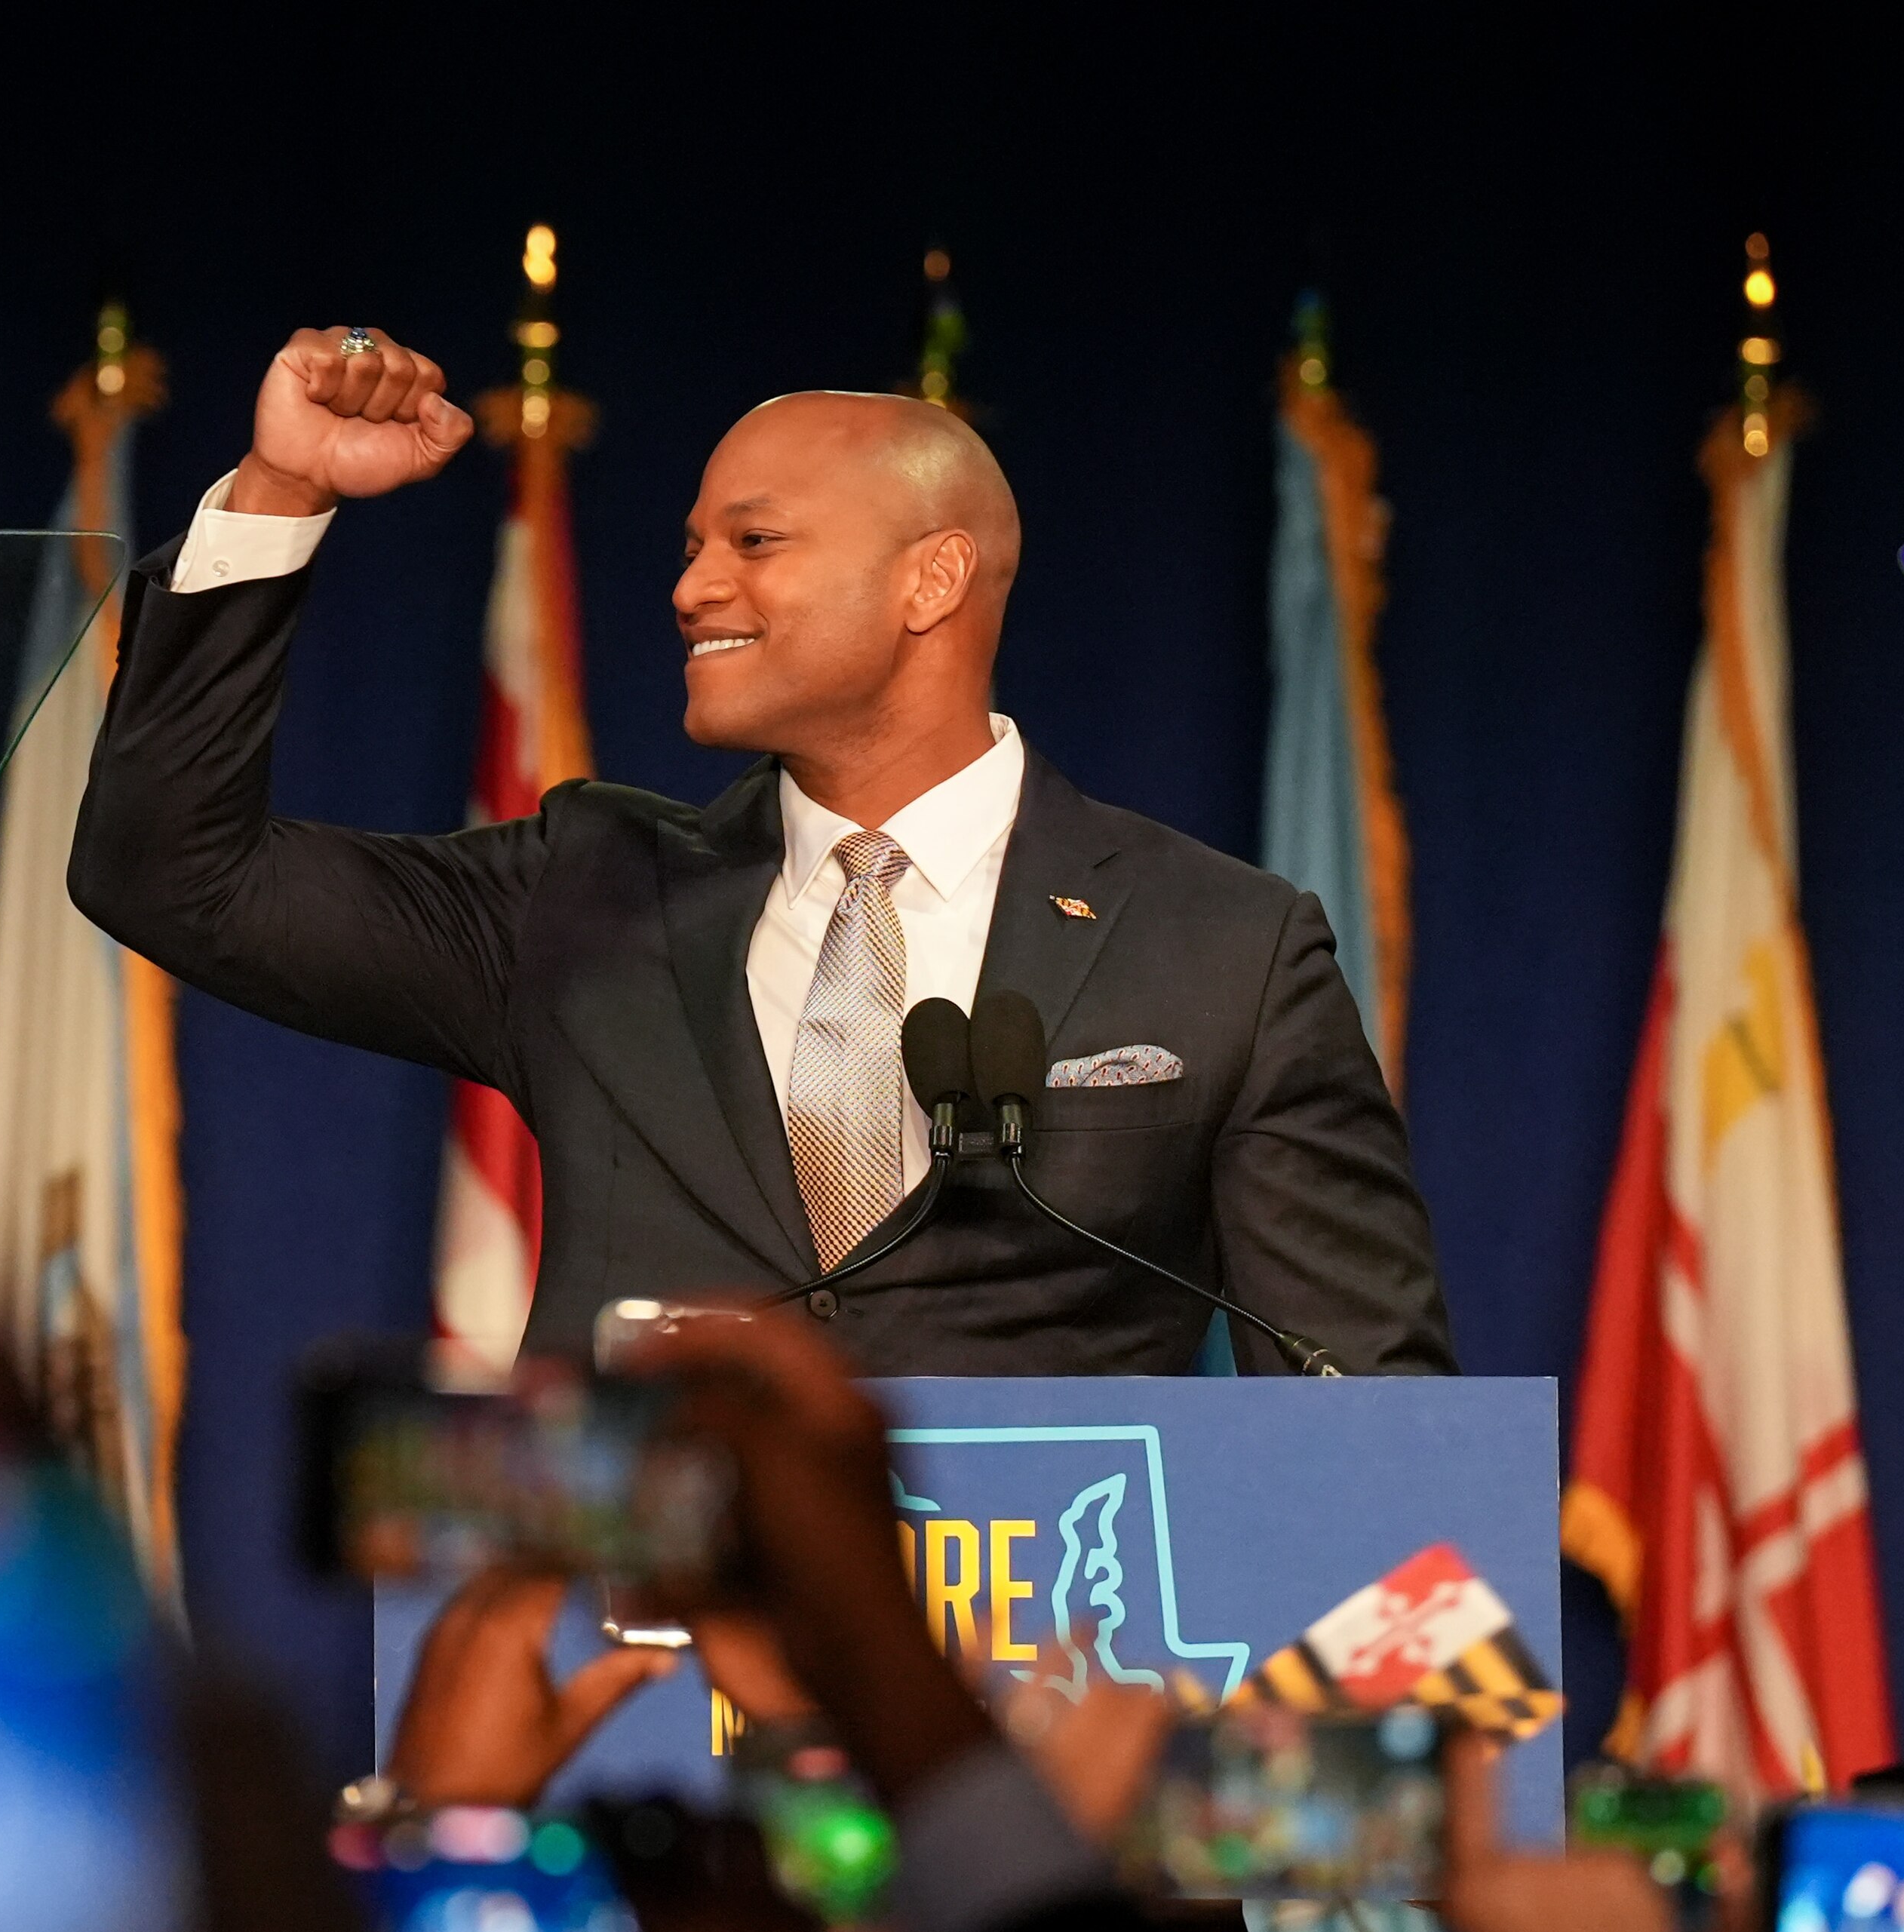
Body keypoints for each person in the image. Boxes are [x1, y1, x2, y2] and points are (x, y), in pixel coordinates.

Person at [70, 326, 1456, 1377]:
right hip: (644, 1655)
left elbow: (1369, 1410)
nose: (691, 586)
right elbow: (173, 876)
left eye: (755, 540)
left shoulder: (1223, 946)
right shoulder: (582, 897)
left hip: (1042, 1667)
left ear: (932, 578)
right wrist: (279, 492)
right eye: (691, 546)